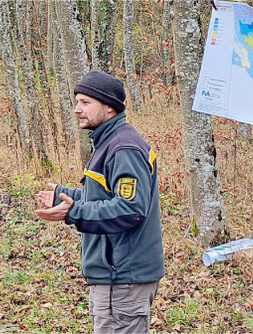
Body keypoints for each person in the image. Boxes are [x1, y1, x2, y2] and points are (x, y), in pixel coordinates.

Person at [34, 71, 164, 334]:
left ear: (109, 107)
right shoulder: (109, 143)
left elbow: (130, 210)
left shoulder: (123, 148)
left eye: (85, 102)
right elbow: (105, 197)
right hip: (115, 277)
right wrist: (66, 194)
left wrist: (74, 212)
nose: (76, 110)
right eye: (77, 102)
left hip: (122, 278)